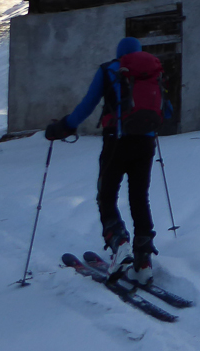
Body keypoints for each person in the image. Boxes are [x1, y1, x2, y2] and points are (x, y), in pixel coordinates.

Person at [45, 36, 170, 285]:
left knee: (107, 195)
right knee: (139, 197)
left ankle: (119, 242)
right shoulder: (153, 72)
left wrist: (63, 127)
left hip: (116, 141)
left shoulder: (109, 69)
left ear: (119, 53)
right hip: (145, 143)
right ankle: (143, 261)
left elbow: (87, 105)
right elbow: (167, 112)